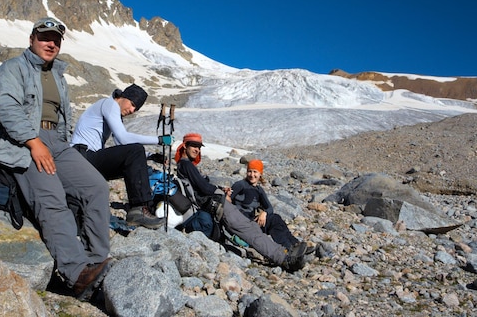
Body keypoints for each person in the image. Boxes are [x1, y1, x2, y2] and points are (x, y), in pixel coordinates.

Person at [0, 17, 111, 301]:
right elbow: (7, 109)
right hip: (22, 142)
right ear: (32, 38)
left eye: (56, 39)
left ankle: (98, 261)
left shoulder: (58, 75)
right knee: (51, 197)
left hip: (57, 143)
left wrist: (58, 143)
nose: (51, 43)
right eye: (44, 37)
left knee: (97, 187)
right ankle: (76, 273)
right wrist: (33, 142)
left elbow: (63, 118)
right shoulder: (13, 68)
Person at [174, 133, 307, 272]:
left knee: (252, 229)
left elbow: (200, 186)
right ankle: (285, 260)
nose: (197, 150)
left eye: (199, 147)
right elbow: (204, 187)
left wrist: (219, 189)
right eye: (194, 146)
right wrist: (220, 192)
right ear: (185, 146)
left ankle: (283, 253)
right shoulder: (187, 165)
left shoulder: (184, 165)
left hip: (215, 204)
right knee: (250, 231)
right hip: (217, 206)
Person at [70, 84, 172, 229]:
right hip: (81, 155)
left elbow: (121, 146)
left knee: (136, 153)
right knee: (136, 150)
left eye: (135, 109)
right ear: (123, 97)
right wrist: (160, 140)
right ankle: (139, 209)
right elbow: (124, 139)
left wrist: (151, 156)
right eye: (132, 105)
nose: (132, 110)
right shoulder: (109, 104)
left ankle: (144, 210)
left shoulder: (114, 113)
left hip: (87, 158)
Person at [230, 159, 301, 249]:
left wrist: (264, 213)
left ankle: (295, 244)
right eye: (249, 171)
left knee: (276, 218)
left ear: (260, 173)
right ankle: (287, 247)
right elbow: (227, 199)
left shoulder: (259, 190)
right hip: (242, 222)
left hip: (252, 221)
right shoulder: (240, 185)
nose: (252, 175)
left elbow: (270, 208)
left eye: (255, 172)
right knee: (274, 220)